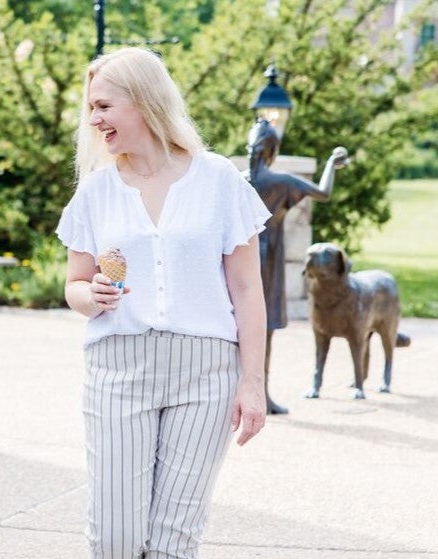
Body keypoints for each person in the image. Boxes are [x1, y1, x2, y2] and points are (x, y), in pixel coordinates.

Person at [56, 47, 271, 559]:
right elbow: (74, 286)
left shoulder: (219, 179)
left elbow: (247, 289)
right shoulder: (95, 191)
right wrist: (93, 296)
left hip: (205, 373)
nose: (94, 119)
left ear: (142, 100)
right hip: (117, 369)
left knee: (175, 539)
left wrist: (253, 383)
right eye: (91, 108)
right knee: (115, 538)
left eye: (104, 105)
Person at [245, 118, 348, 414]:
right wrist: (331, 161)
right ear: (272, 151)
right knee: (263, 328)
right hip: (268, 258)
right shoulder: (280, 182)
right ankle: (259, 394)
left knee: (241, 324)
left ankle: (250, 393)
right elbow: (323, 192)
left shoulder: (238, 179)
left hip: (241, 257)